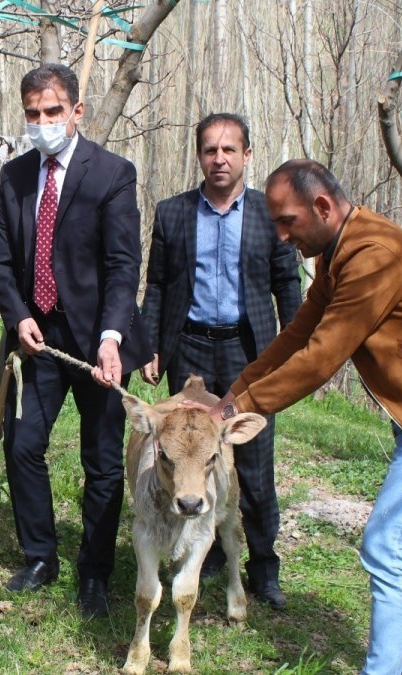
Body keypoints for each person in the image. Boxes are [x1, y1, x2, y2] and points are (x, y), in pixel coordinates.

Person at [191, 159, 402, 674]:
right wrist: (231, 397)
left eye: (287, 222)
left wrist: (235, 412)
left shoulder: (373, 256)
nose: (280, 234)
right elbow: (296, 336)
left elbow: (320, 358)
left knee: (387, 545)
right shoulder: (342, 251)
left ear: (322, 206)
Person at [0, 63, 151, 619]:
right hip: (38, 340)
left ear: (76, 112)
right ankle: (40, 556)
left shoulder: (111, 173)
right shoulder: (14, 177)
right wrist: (17, 317)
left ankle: (95, 573)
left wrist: (112, 336)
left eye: (52, 112)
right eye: (33, 114)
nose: (42, 123)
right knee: (23, 443)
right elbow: (1, 261)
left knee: (102, 461)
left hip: (98, 340)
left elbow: (123, 264)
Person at [140, 113, 301, 610]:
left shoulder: (268, 216)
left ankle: (264, 569)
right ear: (199, 156)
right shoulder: (173, 213)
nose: (220, 159)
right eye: (210, 150)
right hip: (187, 347)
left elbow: (286, 285)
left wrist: (292, 348)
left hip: (247, 352)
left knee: (252, 461)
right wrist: (151, 343)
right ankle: (202, 553)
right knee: (190, 453)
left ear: (247, 155)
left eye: (230, 150)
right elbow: (159, 284)